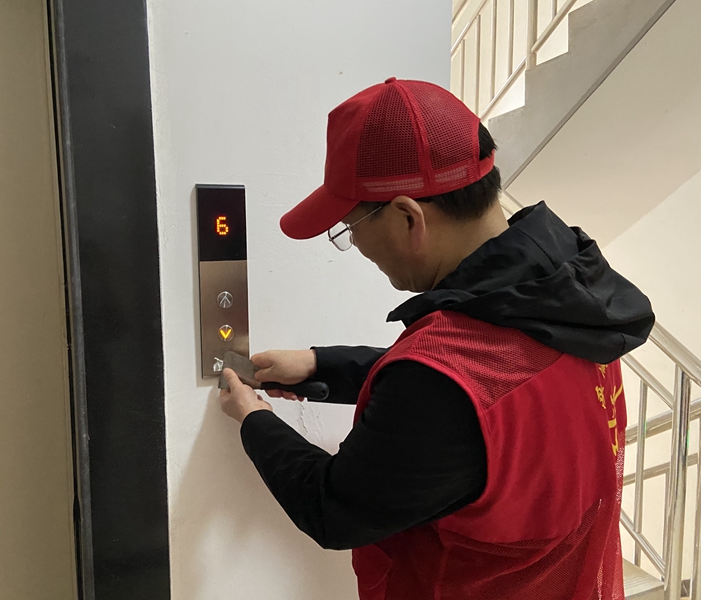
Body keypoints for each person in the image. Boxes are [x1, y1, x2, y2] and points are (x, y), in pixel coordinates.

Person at [218, 77, 654, 600]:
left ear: (408, 217)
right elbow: (489, 385)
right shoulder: (568, 300)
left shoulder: (445, 378)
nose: (356, 245)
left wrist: (254, 418)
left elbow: (333, 508)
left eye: (350, 228)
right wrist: (319, 364)